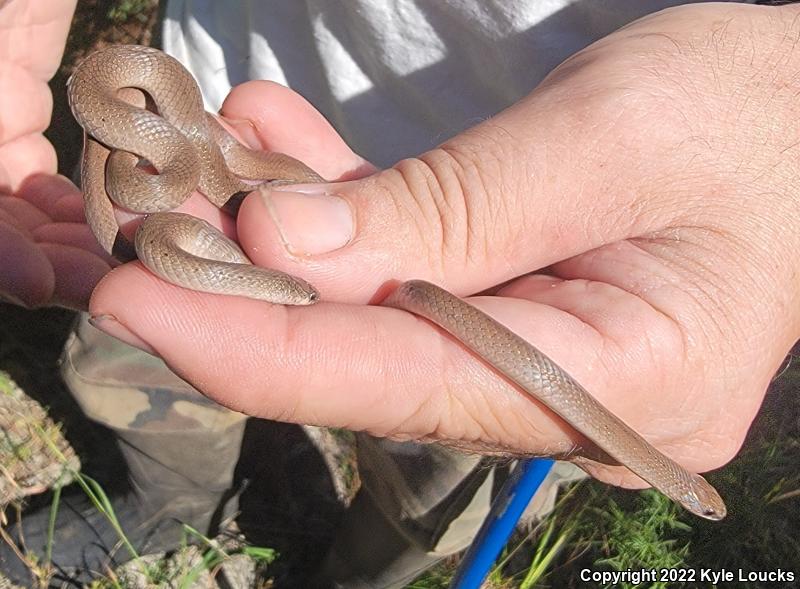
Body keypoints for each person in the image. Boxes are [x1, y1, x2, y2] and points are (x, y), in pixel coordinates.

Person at [1, 0, 798, 586]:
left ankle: (348, 577)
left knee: (432, 492)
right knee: (145, 334)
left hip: (546, 268)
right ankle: (167, 498)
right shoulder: (169, 157)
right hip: (229, 102)